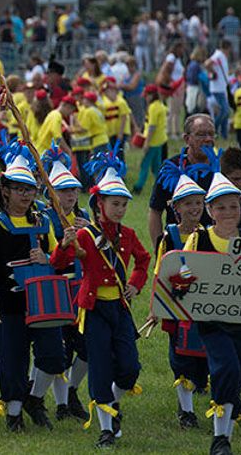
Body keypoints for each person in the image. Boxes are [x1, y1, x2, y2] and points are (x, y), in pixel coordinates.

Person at [53, 153, 149, 448]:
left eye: (123, 204)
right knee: (100, 368)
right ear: (99, 205)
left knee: (130, 367)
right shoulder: (84, 234)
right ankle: (105, 428)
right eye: (114, 204)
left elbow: (144, 261)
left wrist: (134, 284)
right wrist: (64, 244)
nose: (119, 209)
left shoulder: (129, 235)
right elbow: (58, 262)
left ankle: (113, 405)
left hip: (119, 309)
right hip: (93, 310)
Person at [0, 148, 64, 432]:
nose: (25, 195)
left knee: (53, 355)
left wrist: (48, 258)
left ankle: (35, 399)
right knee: (12, 359)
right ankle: (14, 413)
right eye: (19, 189)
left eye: (30, 189)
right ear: (5, 190)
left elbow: (59, 257)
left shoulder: (43, 221)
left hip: (43, 301)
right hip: (10, 302)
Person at [184, 172, 241, 455]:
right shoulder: (198, 238)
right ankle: (220, 439)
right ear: (209, 211)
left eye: (233, 206)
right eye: (220, 207)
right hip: (211, 322)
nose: (228, 212)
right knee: (226, 368)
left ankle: (224, 438)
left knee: (232, 373)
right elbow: (181, 269)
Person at [147, 161, 208, 430]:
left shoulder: (209, 235)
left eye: (198, 203)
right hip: (176, 306)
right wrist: (154, 307)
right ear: (176, 208)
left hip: (204, 307)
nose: (194, 209)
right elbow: (160, 273)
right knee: (180, 359)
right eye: (188, 204)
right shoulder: (169, 237)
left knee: (203, 358)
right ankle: (186, 411)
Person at [39, 146, 91, 421]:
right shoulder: (44, 218)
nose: (69, 196)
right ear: (51, 193)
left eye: (73, 191)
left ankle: (72, 390)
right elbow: (42, 256)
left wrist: (90, 232)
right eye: (63, 191)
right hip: (57, 289)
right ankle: (61, 404)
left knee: (85, 346)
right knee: (60, 347)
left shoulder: (85, 218)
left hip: (83, 288)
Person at [147, 114, 217, 249]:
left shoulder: (222, 168)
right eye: (201, 135)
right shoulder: (170, 169)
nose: (208, 139)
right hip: (179, 246)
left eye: (211, 134)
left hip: (215, 249)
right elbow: (155, 211)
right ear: (187, 139)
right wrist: (159, 247)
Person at [132, 85, 168, 195]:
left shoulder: (153, 107)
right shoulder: (160, 105)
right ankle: (162, 185)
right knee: (157, 166)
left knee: (144, 165)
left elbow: (152, 126)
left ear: (152, 95)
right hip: (159, 140)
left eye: (147, 95)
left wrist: (147, 143)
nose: (145, 98)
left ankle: (138, 187)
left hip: (153, 142)